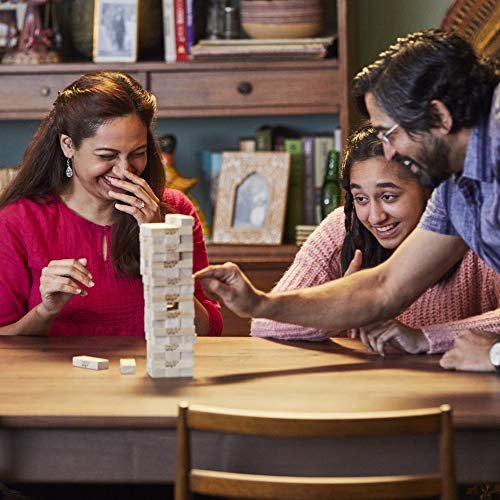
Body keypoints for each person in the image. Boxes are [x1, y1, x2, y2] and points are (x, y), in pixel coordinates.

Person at [195, 30, 499, 372]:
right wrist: (260, 303)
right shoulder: (454, 190)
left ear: (440, 117)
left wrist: (494, 354)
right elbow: (385, 287)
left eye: (390, 133)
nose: (388, 151)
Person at [0, 70, 223, 337]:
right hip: (59, 378)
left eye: (137, 154)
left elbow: (206, 332)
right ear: (68, 146)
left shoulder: (175, 211)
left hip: (151, 376)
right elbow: (5, 343)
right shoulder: (17, 222)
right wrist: (45, 311)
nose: (124, 170)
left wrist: (160, 242)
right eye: (107, 155)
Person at [251, 127, 499, 353]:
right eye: (361, 198)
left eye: (389, 197)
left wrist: (426, 337)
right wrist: (342, 307)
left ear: (428, 189)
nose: (375, 216)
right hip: (365, 391)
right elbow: (265, 325)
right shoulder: (344, 227)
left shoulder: (472, 231)